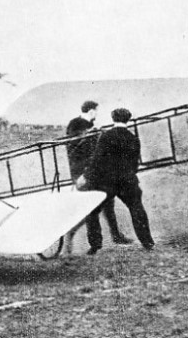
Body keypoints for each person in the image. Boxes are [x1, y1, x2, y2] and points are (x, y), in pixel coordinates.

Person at [81, 108, 155, 254]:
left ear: (113, 118)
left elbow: (97, 160)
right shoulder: (133, 138)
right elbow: (135, 164)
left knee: (92, 211)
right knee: (137, 208)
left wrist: (86, 177)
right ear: (127, 120)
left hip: (106, 182)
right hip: (127, 181)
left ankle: (95, 245)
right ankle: (147, 242)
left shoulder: (106, 136)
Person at [65, 101, 132, 253]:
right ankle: (74, 234)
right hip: (83, 172)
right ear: (91, 111)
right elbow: (74, 145)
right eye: (96, 111)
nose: (96, 113)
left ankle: (115, 236)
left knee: (108, 202)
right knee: (91, 208)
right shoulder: (75, 124)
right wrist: (91, 133)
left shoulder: (88, 124)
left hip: (95, 170)